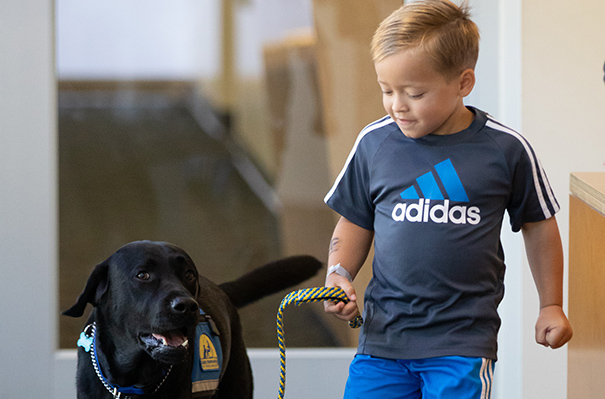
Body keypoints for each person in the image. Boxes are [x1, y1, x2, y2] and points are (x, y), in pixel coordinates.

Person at [322, 1, 573, 398]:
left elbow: (539, 224)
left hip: (462, 345)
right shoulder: (374, 143)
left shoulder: (506, 149)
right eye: (387, 90)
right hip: (383, 341)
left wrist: (551, 305)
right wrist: (339, 272)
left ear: (463, 83)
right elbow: (355, 218)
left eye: (414, 93)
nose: (397, 105)